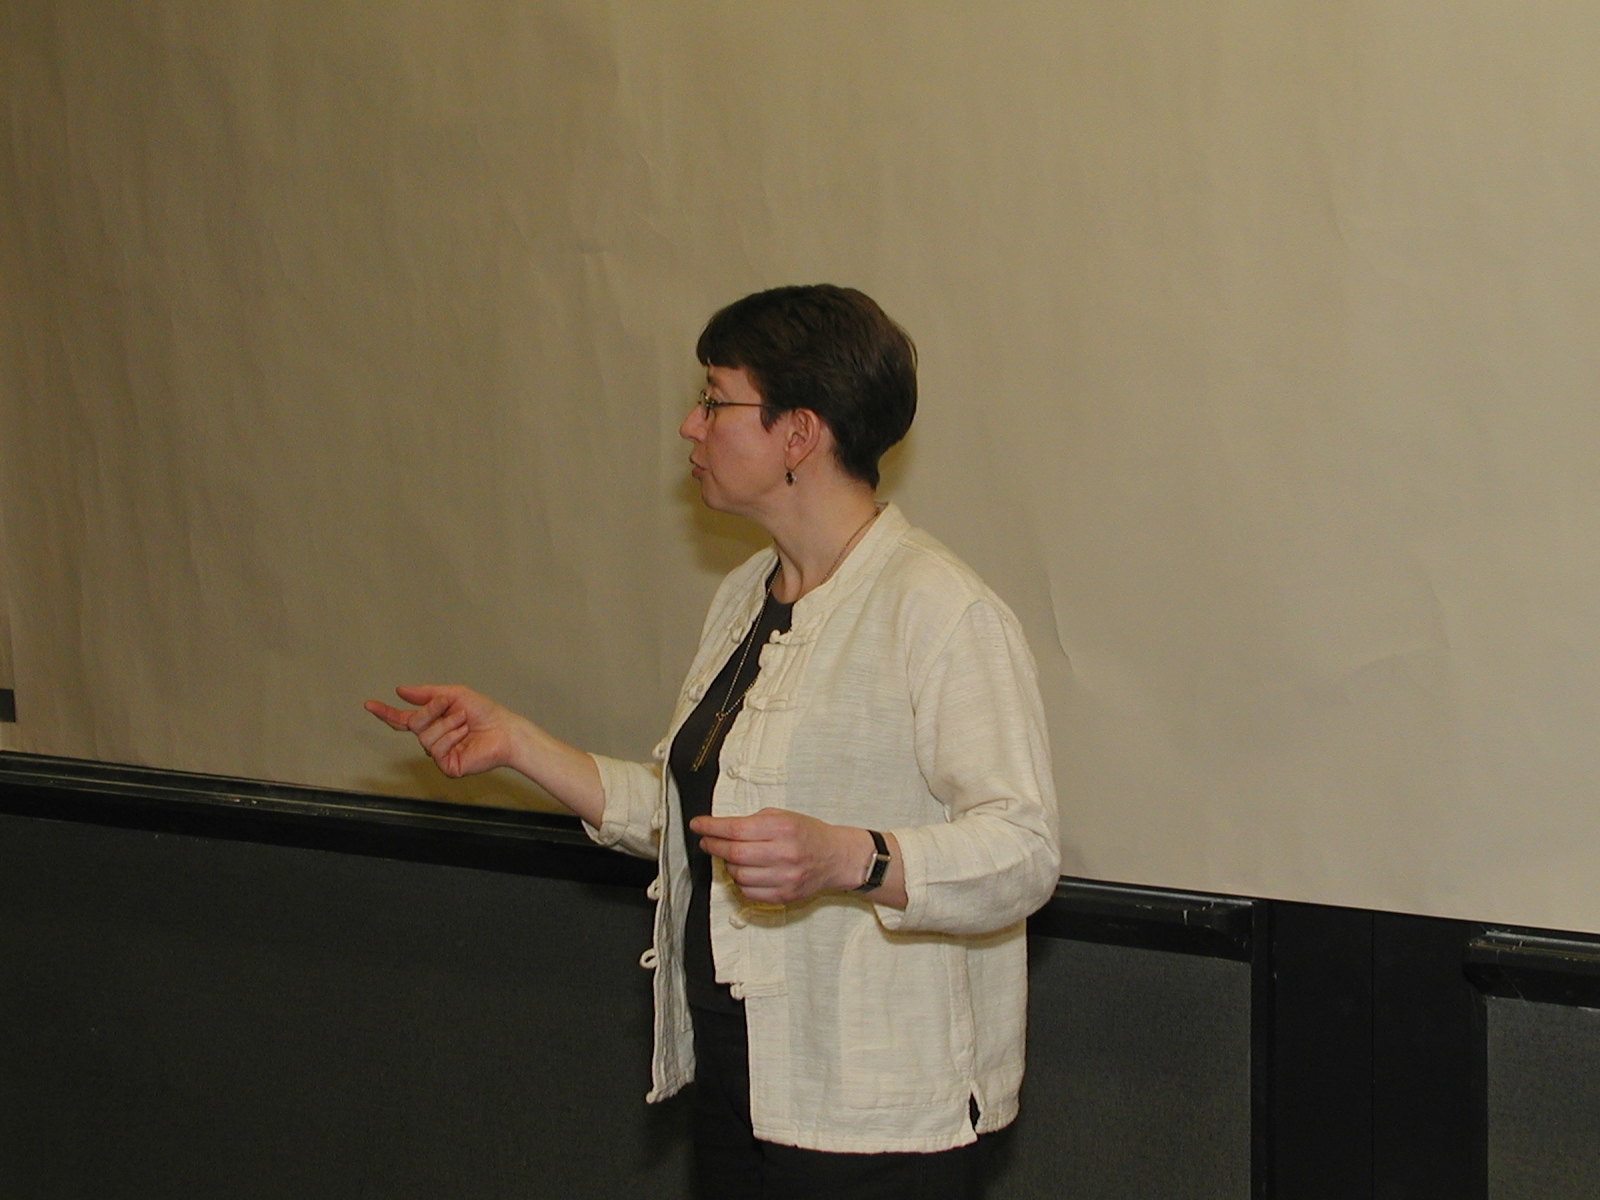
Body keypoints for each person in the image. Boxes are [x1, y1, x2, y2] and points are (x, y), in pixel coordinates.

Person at [366, 284, 1060, 1199]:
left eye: (713, 400)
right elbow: (699, 821)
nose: (689, 427)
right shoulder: (744, 596)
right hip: (742, 1084)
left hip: (877, 1112)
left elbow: (1023, 853)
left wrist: (849, 857)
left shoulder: (939, 609)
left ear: (798, 434)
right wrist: (520, 745)